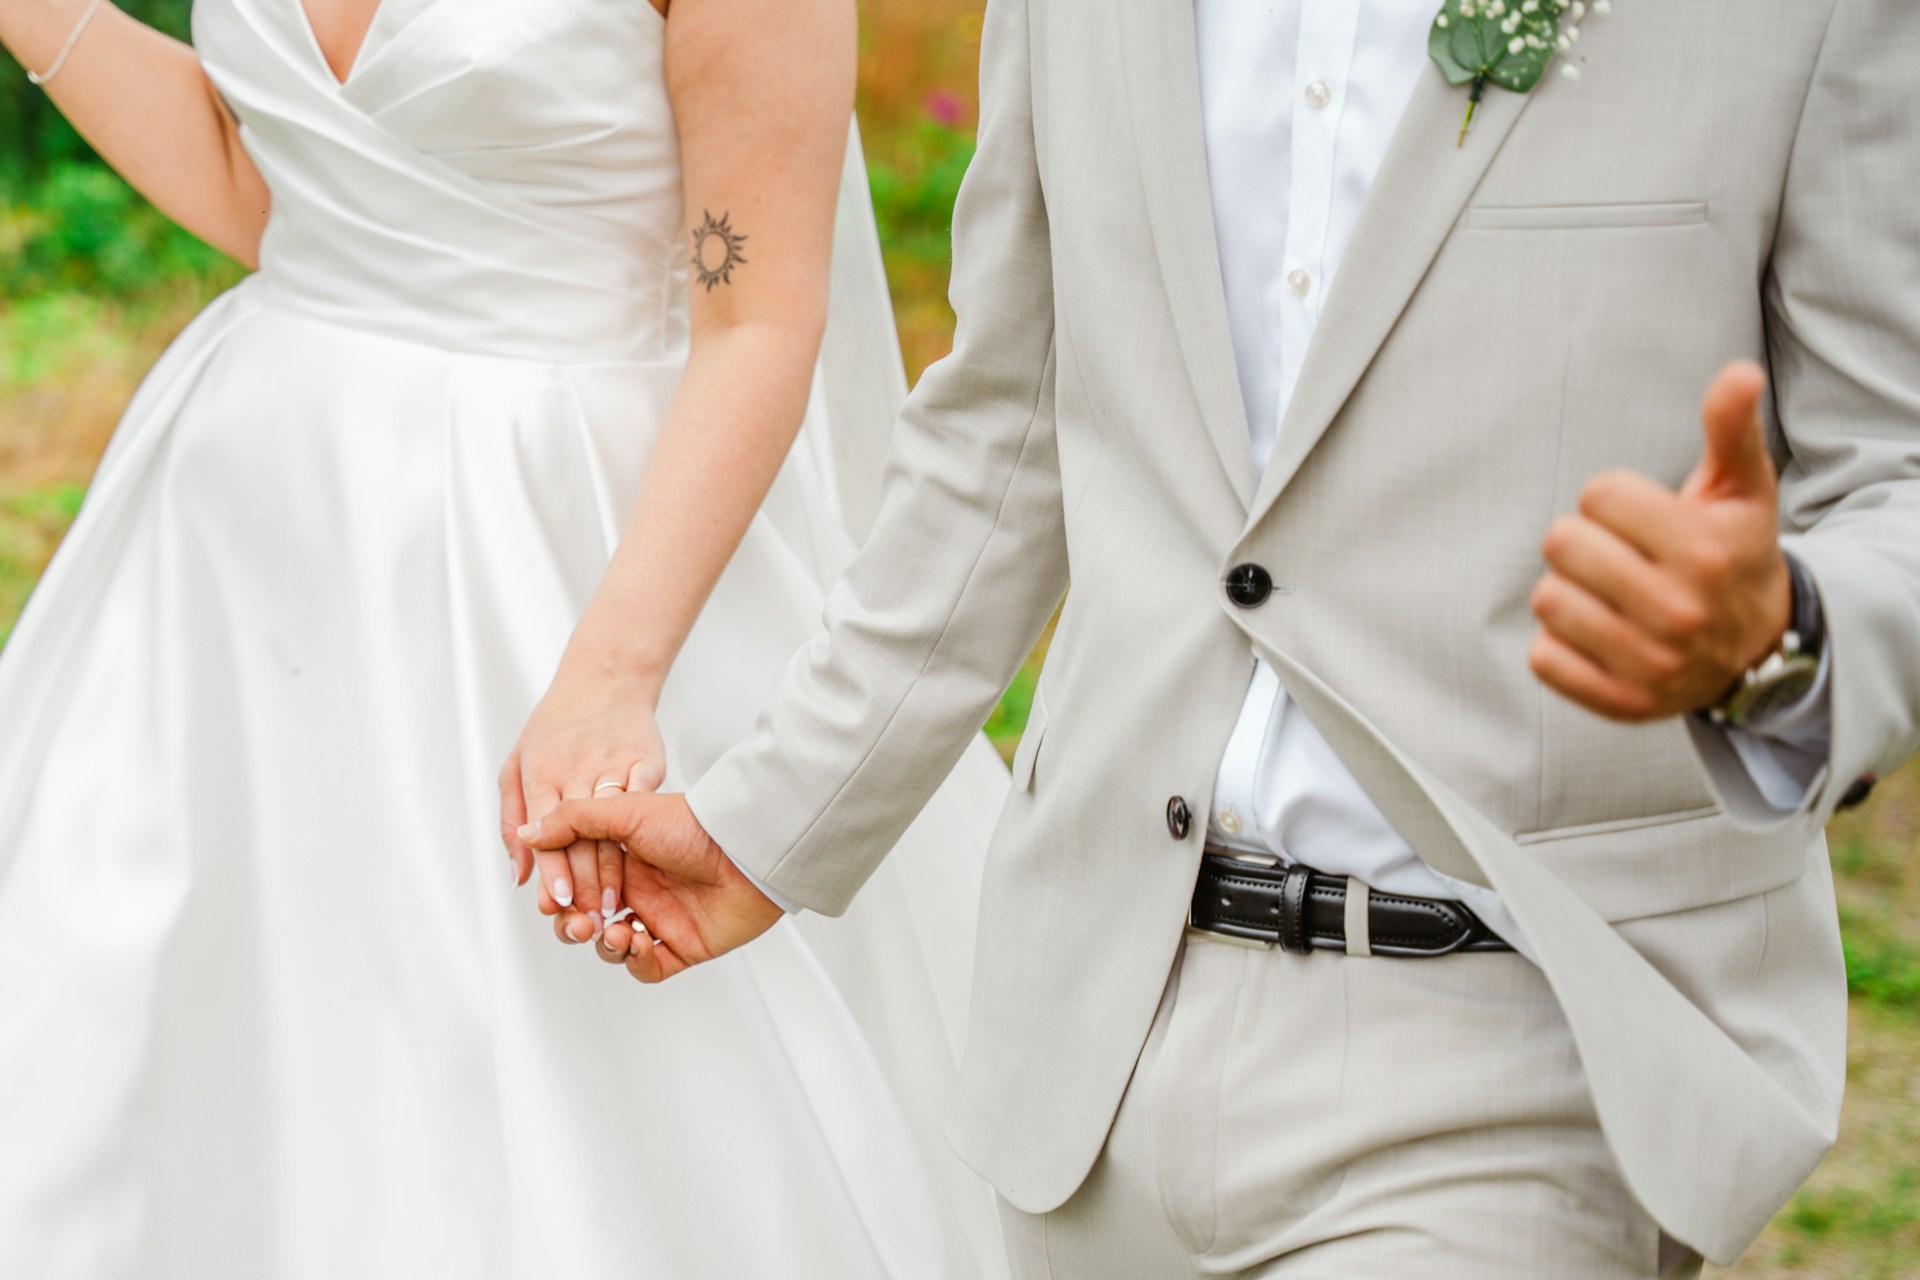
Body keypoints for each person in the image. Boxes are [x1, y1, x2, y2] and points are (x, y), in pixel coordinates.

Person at [524, 0, 1920, 1276]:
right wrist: (771, 820)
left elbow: (1896, 480)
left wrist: (1778, 640)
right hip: (1094, 1041)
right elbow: (1008, 426)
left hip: (1511, 1051)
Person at [0, 0, 1011, 1275]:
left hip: (562, 555)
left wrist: (610, 673)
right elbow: (269, 181)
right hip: (234, 550)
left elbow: (756, 318)